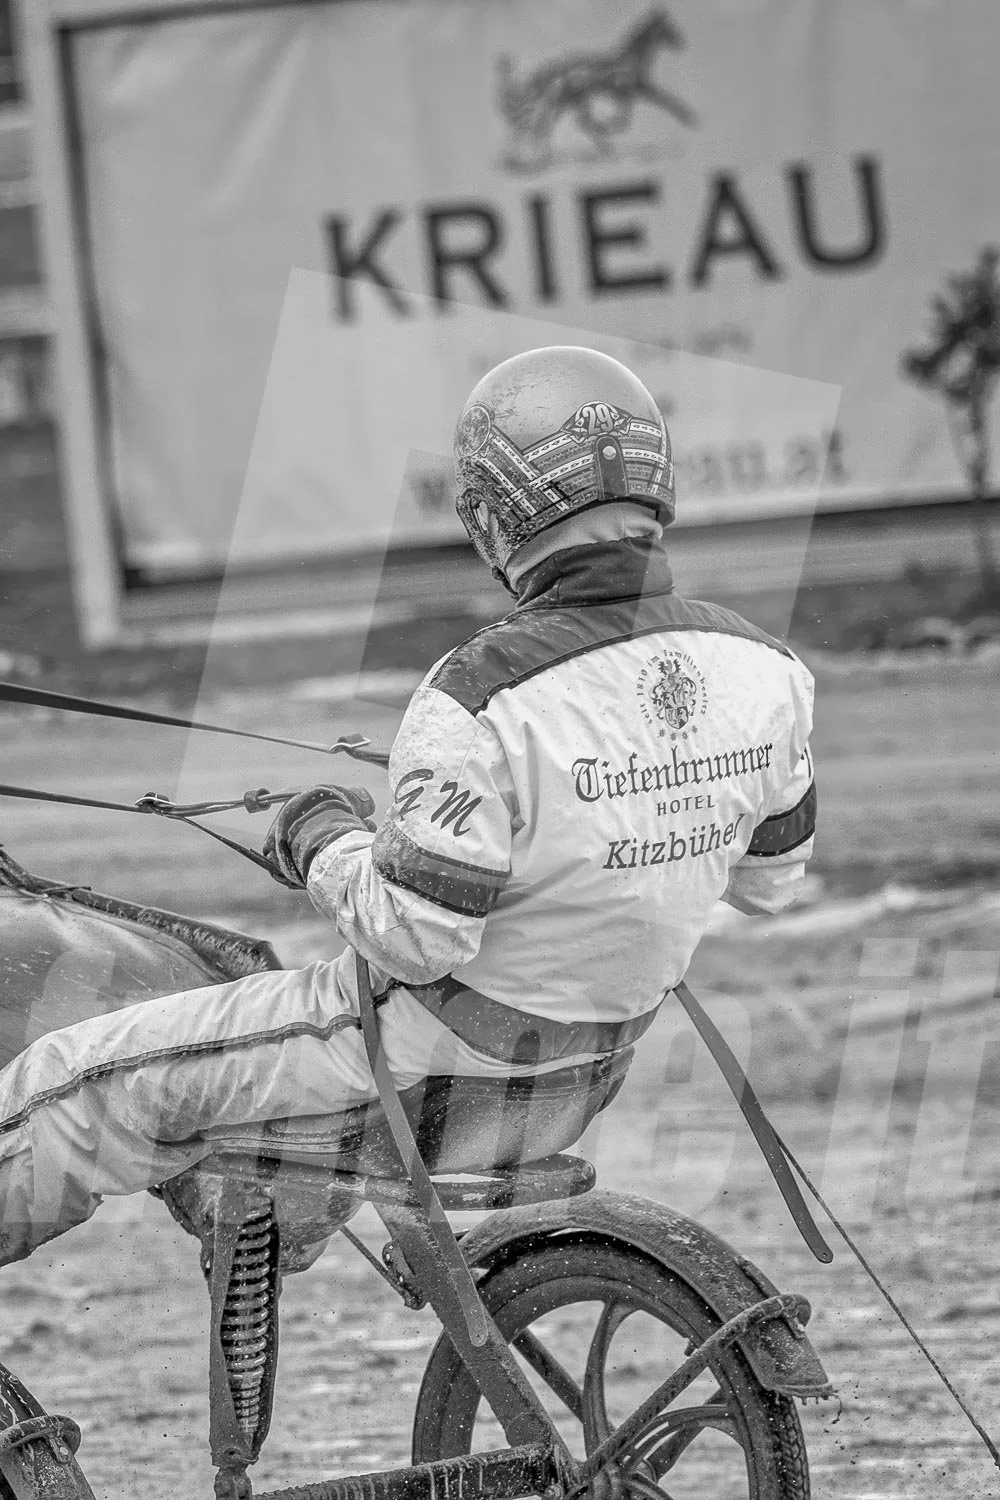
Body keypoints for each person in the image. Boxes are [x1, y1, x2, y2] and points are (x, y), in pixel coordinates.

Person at [0, 346, 815, 1266]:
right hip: (586, 1073)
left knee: (64, 1080)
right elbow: (770, 882)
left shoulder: (476, 693)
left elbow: (414, 938)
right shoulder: (767, 667)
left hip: (426, 1063)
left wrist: (323, 841)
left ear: (496, 513)